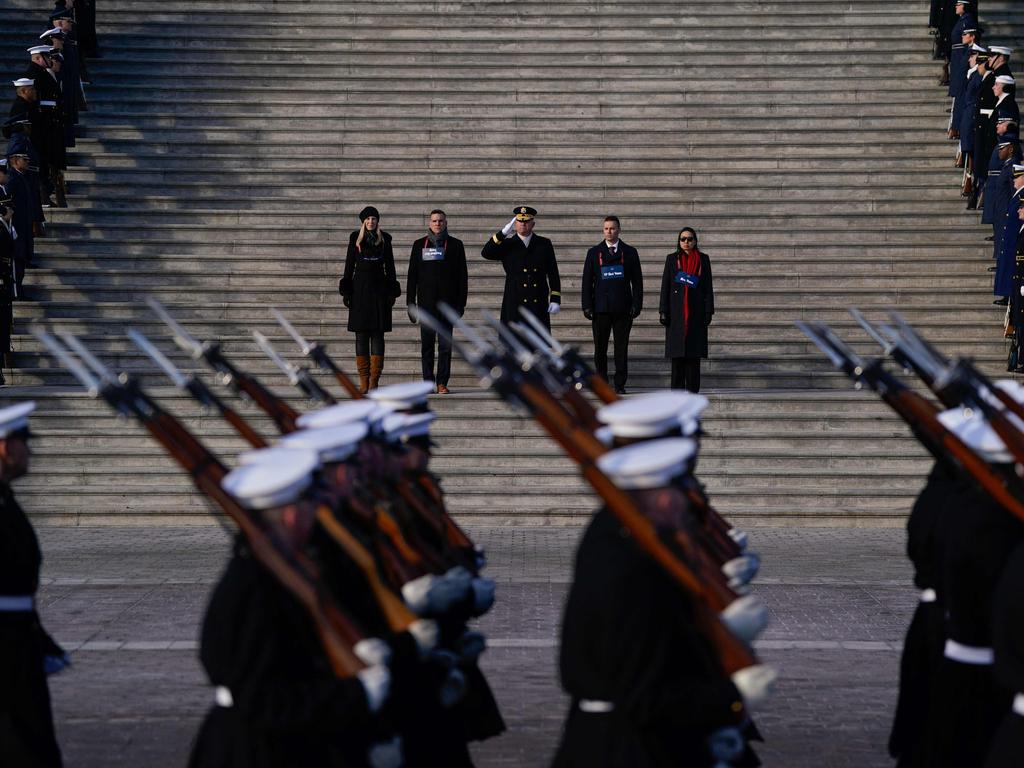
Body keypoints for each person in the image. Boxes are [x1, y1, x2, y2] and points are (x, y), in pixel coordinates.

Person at [189, 448, 393, 768]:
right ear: (292, 516)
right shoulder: (253, 586)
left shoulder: (279, 571)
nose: (318, 514)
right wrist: (355, 695)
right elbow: (260, 699)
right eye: (312, 506)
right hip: (258, 752)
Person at [0, 401, 64, 767]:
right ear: (6, 447)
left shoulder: (5, 500)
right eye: (25, 442)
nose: (30, 452)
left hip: (17, 645)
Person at [406, 209, 468, 394]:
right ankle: (427, 383)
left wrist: (460, 305)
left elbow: (462, 278)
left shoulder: (456, 245)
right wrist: (411, 304)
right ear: (429, 223)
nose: (438, 224)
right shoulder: (419, 245)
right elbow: (412, 276)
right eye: (434, 221)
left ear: (446, 223)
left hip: (447, 306)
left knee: (445, 347)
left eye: (441, 221)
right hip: (426, 305)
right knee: (426, 346)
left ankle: (442, 382)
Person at [339, 206, 400, 393]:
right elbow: (349, 266)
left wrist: (391, 292)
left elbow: (390, 267)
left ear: (377, 221)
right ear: (363, 221)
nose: (371, 221)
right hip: (360, 291)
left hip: (379, 292)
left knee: (377, 335)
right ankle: (363, 380)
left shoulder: (385, 240)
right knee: (361, 335)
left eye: (374, 218)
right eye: (368, 219)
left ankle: (375, 379)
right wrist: (347, 290)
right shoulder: (355, 239)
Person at [581, 215, 643, 394]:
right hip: (600, 309)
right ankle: (601, 384)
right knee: (600, 349)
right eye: (606, 228)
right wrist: (587, 305)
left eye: (613, 228)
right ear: (603, 230)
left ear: (619, 230)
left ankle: (620, 384)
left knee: (621, 349)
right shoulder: (594, 252)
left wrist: (636, 305)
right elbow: (587, 282)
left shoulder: (630, 252)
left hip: (623, 309)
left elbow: (637, 282)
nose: (609, 231)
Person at [481, 205, 561, 330]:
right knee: (514, 343)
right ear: (515, 223)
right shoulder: (507, 244)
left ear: (533, 224)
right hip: (514, 299)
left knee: (537, 343)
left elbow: (553, 272)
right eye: (520, 221)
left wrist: (555, 298)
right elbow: (486, 253)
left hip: (537, 298)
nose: (523, 224)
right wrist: (502, 234)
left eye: (527, 221)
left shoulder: (544, 243)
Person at [659, 228, 714, 392]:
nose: (686, 242)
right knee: (677, 356)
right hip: (676, 314)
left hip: (696, 314)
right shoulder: (672, 259)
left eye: (690, 239)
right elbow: (665, 286)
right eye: (683, 239)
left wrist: (708, 311)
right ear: (679, 241)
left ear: (695, 241)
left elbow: (708, 288)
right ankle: (676, 392)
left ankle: (692, 391)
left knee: (693, 356)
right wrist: (663, 310)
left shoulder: (703, 260)